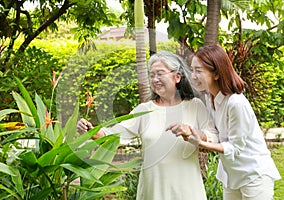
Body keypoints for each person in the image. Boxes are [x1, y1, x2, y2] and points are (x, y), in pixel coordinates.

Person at [77, 51, 218, 200]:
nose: (155, 79)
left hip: (188, 190)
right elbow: (115, 134)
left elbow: (213, 137)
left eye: (160, 74)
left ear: (177, 77)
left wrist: (190, 132)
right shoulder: (144, 110)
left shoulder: (195, 106)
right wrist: (92, 131)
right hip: (154, 190)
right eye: (152, 75)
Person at [173, 44, 281, 200]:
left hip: (254, 174)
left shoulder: (236, 103)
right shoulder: (209, 98)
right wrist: (196, 133)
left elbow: (236, 147)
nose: (193, 76)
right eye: (192, 69)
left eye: (199, 71)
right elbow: (217, 134)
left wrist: (201, 143)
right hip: (231, 175)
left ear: (216, 74)